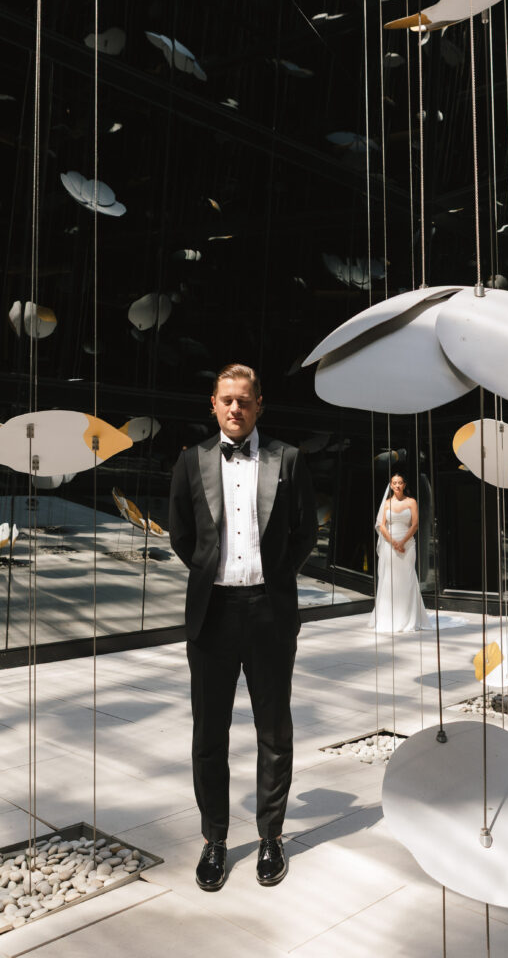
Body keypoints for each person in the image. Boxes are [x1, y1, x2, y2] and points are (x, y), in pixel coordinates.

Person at [169, 363, 317, 892]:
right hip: (212, 615)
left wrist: (273, 578)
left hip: (270, 612)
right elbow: (182, 538)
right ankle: (214, 840)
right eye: (227, 399)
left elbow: (306, 532)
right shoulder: (191, 461)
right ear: (213, 403)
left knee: (273, 731)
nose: (235, 408)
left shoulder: (289, 460)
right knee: (210, 734)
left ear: (259, 405)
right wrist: (216, 575)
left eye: (245, 401)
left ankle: (271, 837)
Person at [369, 473, 430, 633]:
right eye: (394, 483)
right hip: (390, 545)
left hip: (407, 545)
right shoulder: (387, 504)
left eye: (400, 483)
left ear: (404, 485)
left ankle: (408, 617)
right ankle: (389, 617)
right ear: (391, 485)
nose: (397, 485)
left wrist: (402, 542)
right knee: (390, 579)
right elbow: (382, 525)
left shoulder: (411, 502)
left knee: (407, 578)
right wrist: (393, 542)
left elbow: (415, 524)